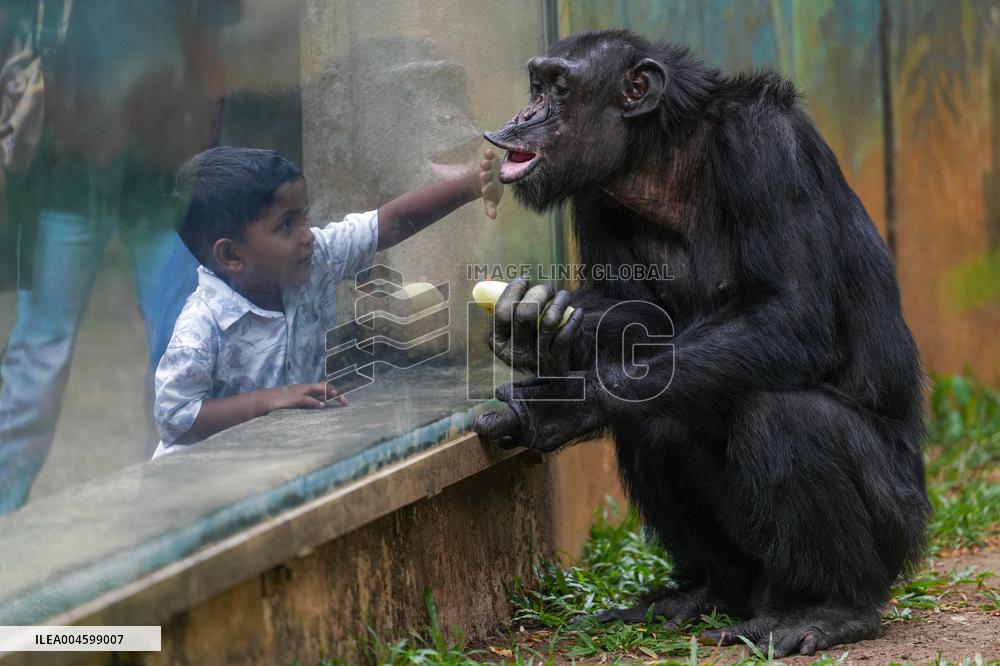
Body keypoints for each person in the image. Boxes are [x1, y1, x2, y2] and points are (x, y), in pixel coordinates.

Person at [152, 146, 502, 457]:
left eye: (304, 215)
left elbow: (389, 223)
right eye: (286, 225)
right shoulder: (202, 324)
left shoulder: (315, 257)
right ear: (231, 255)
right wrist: (270, 400)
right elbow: (176, 416)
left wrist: (473, 184)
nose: (307, 235)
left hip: (274, 461)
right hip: (202, 479)